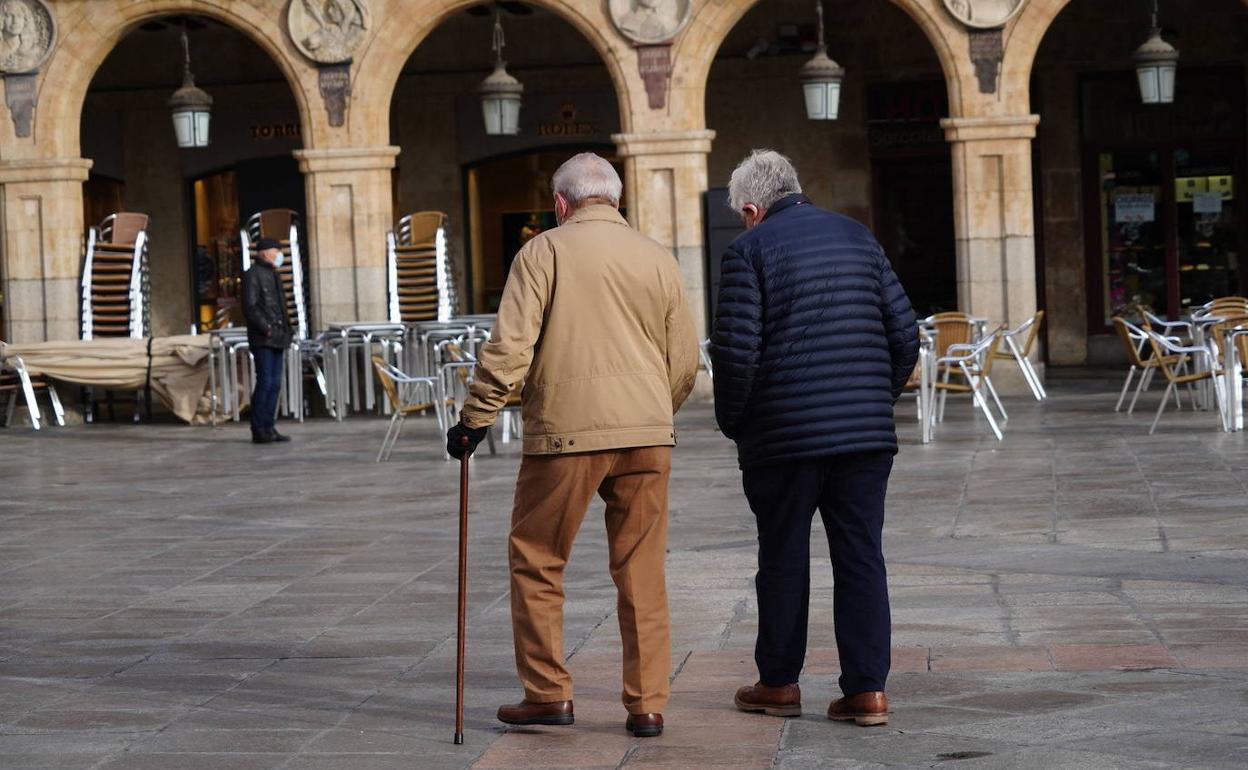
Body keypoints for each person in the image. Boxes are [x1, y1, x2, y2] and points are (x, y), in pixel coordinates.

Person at [445, 152, 699, 738]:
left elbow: (510, 348)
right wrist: (654, 411)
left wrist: (475, 419)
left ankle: (548, 692)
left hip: (565, 435)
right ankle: (647, 703)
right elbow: (685, 360)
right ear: (616, 199)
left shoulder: (543, 251)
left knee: (537, 559)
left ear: (561, 203)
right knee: (642, 571)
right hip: (647, 435)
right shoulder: (656, 257)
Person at [710, 150, 918, 727]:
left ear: (752, 208)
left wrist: (737, 423)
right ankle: (867, 692)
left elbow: (735, 355)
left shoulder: (748, 251)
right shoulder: (858, 236)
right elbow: (906, 335)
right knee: (861, 559)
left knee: (782, 559)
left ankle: (778, 684)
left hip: (783, 442)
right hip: (864, 440)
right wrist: (875, 403)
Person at [241, 237, 293, 445]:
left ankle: (269, 426)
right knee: (266, 381)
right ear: (264, 252)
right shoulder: (253, 275)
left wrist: (286, 330)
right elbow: (250, 307)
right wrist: (267, 329)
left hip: (278, 336)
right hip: (264, 337)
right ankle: (259, 428)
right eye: (276, 251)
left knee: (275, 383)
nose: (279, 255)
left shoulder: (274, 274)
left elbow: (280, 306)